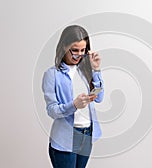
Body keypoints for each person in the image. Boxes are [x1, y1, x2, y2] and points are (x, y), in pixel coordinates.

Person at [42, 25, 104, 168]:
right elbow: (52, 110)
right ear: (64, 46)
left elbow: (99, 97)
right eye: (75, 50)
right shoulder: (52, 74)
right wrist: (74, 105)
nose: (79, 55)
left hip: (87, 134)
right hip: (65, 138)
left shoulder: (85, 71)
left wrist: (96, 70)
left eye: (83, 50)